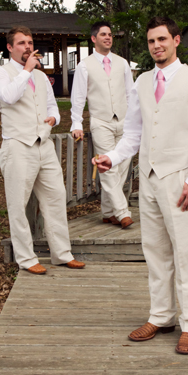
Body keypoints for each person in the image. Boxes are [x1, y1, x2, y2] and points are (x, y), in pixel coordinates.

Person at [94, 17, 188, 355]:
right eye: (151, 41)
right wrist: (113, 157)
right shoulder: (142, 82)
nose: (156, 46)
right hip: (147, 178)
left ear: (176, 40)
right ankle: (162, 315)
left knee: (187, 253)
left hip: (180, 178)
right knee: (156, 252)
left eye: (162, 39)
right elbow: (134, 132)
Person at [0, 26, 85, 275]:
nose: (28, 47)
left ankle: (62, 254)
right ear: (10, 47)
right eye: (21, 43)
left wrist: (53, 118)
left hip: (44, 144)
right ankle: (26, 257)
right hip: (17, 145)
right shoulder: (0, 74)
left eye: (30, 42)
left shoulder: (42, 77)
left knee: (56, 197)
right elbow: (9, 97)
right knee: (18, 204)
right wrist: (27, 71)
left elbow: (52, 106)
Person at [70, 21, 134, 228]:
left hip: (124, 121)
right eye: (103, 34)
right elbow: (78, 97)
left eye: (110, 34)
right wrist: (76, 123)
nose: (108, 37)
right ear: (94, 38)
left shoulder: (123, 63)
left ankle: (108, 211)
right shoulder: (84, 65)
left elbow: (130, 94)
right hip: (101, 121)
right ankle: (122, 212)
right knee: (107, 167)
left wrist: (135, 119)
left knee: (121, 165)